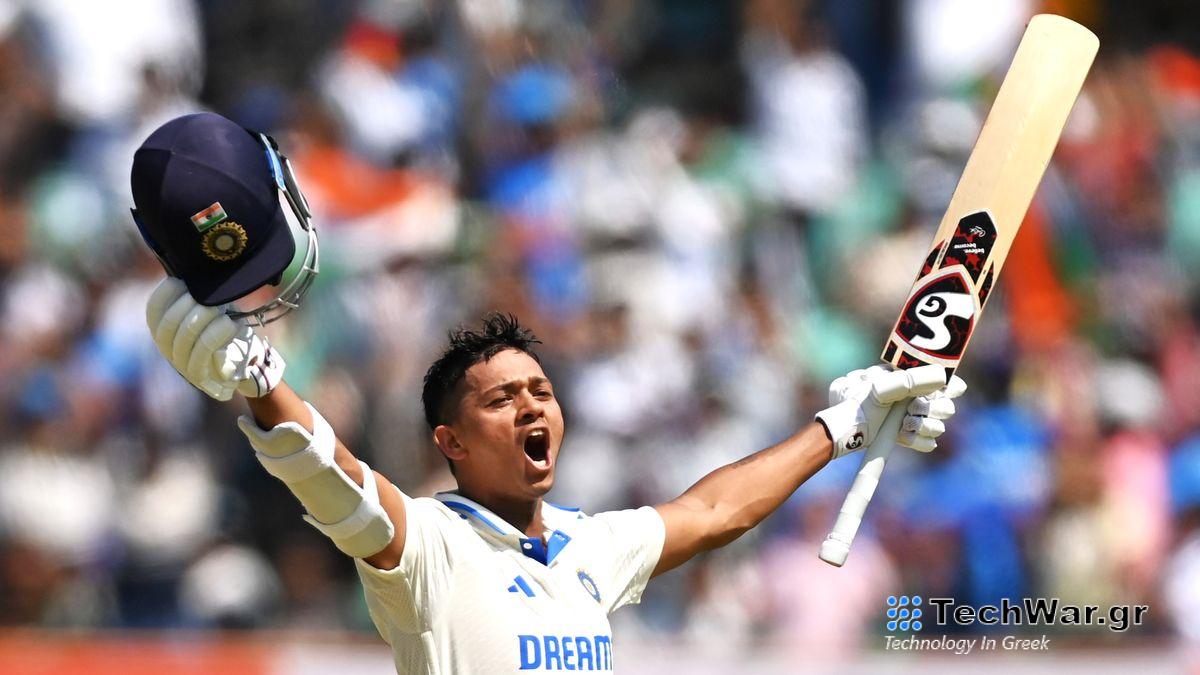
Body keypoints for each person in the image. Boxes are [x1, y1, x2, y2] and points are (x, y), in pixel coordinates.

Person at [132, 113, 964, 673]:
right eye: (500, 400)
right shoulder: (427, 548)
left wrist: (843, 424)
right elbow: (334, 480)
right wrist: (261, 389)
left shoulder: (586, 547)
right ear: (449, 442)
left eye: (541, 390)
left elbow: (716, 512)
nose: (532, 407)